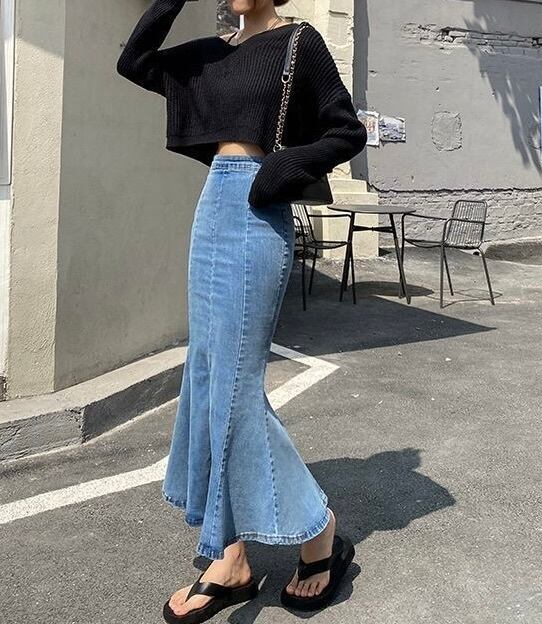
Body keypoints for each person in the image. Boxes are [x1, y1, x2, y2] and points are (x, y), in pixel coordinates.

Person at [117, 0, 367, 621]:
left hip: (259, 208)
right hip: (214, 208)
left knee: (234, 388)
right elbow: (135, 61)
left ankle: (318, 531)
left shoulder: (298, 43)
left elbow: (346, 130)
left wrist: (284, 165)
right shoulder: (214, 53)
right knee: (206, 380)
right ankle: (230, 559)